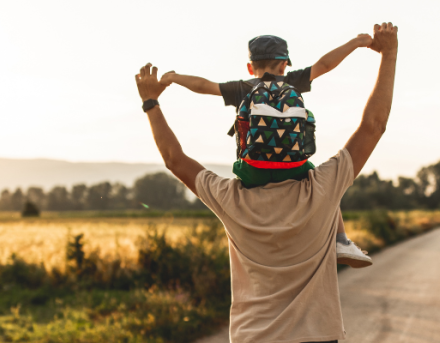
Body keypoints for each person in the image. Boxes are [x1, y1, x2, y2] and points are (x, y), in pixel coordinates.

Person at [135, 22, 398, 343]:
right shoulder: (323, 187)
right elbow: (373, 125)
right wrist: (388, 53)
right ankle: (342, 241)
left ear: (244, 138)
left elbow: (174, 157)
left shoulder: (230, 198)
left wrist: (152, 102)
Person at [159, 34, 374, 268]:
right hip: (295, 168)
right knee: (326, 185)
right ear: (284, 63)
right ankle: (340, 240)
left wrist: (174, 77)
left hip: (252, 172)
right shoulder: (293, 82)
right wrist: (356, 43)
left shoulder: (244, 88)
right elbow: (325, 64)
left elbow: (203, 86)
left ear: (251, 67)